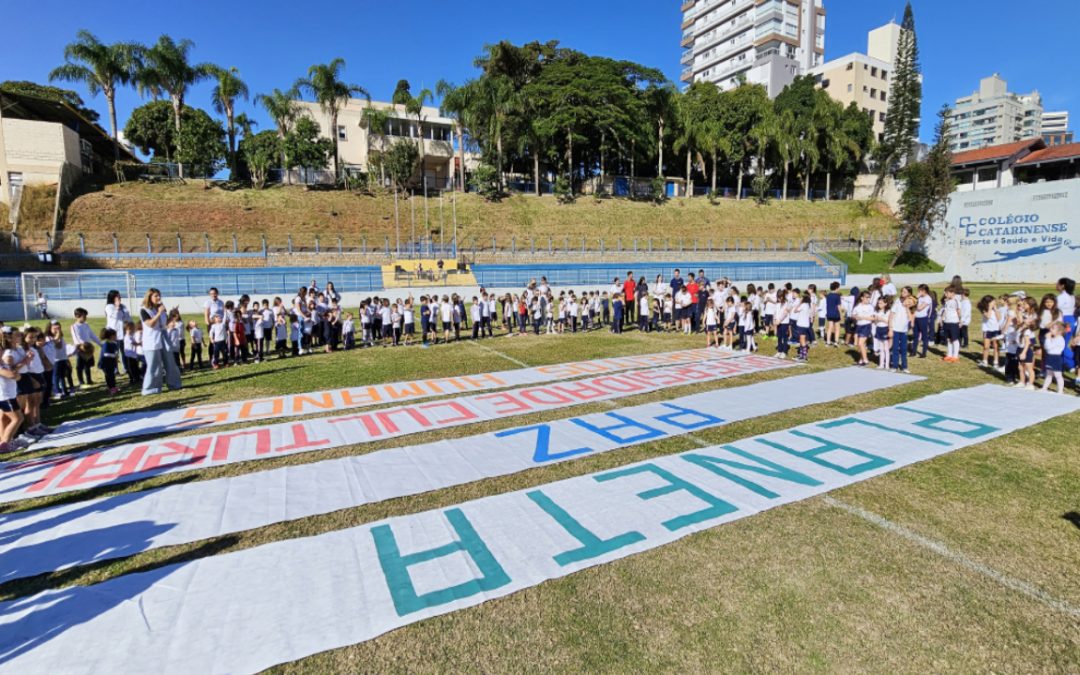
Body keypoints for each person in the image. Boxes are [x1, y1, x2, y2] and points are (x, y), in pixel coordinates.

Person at [140, 288, 182, 395]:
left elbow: (164, 324)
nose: (158, 298)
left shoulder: (161, 308)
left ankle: (174, 384)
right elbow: (150, 324)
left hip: (163, 337)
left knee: (170, 361)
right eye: (156, 296)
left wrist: (172, 315)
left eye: (159, 295)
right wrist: (158, 313)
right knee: (155, 365)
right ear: (149, 297)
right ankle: (150, 389)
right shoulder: (144, 310)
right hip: (152, 340)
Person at [1040, 322, 1067, 394]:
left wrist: (1048, 338)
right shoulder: (1053, 338)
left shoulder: (1060, 339)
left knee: (1058, 375)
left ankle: (1060, 390)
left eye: (1053, 328)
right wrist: (1048, 339)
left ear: (1059, 331)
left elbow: (1049, 347)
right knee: (1049, 374)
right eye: (1051, 328)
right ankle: (1044, 388)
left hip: (1056, 358)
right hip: (1049, 357)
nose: (1050, 330)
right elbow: (1046, 347)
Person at [1056, 278, 1076, 371]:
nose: (1056, 285)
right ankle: (1067, 363)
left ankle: (1073, 363)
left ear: (1062, 285)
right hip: (1071, 320)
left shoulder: (1061, 297)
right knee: (1064, 343)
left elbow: (1056, 310)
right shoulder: (1072, 296)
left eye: (1058, 283)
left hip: (1064, 320)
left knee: (1061, 344)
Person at [98, 328, 120, 395]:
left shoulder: (113, 343)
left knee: (112, 375)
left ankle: (113, 387)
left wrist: (116, 355)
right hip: (105, 363)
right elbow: (106, 354)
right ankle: (110, 388)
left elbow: (115, 351)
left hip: (111, 363)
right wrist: (114, 355)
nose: (116, 337)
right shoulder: (106, 344)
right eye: (115, 335)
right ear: (111, 336)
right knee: (109, 376)